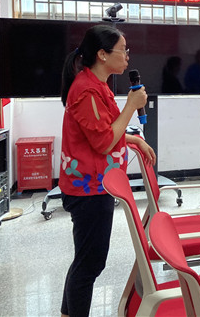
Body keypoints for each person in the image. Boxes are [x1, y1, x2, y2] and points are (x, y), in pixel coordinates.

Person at [59, 25, 156, 317]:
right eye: (122, 50)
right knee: (90, 264)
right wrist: (131, 106)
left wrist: (134, 139)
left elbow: (106, 130)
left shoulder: (98, 85)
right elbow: (103, 142)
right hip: (88, 190)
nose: (127, 56)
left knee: (85, 260)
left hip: (97, 184)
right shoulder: (87, 89)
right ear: (102, 54)